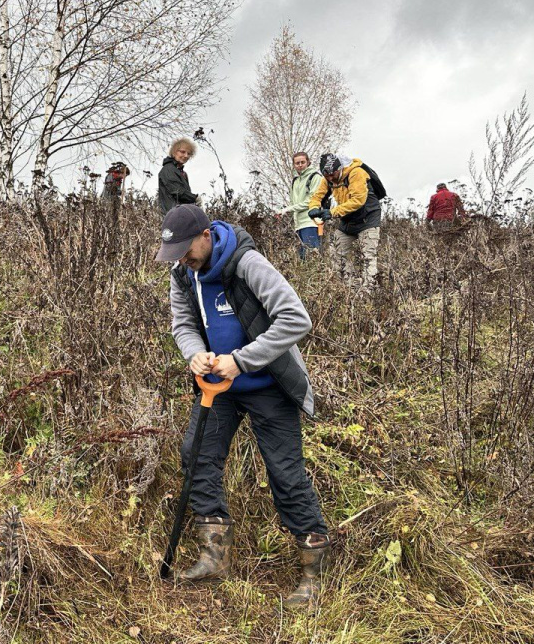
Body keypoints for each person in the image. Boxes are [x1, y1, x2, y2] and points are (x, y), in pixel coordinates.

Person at [156, 204, 329, 606]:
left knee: (285, 474)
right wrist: (195, 353)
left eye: (187, 248)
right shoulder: (183, 274)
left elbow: (295, 318)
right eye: (176, 252)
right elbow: (183, 324)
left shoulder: (247, 262)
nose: (183, 258)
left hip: (268, 383)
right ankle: (215, 558)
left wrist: (241, 360)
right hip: (219, 387)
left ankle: (312, 576)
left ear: (205, 234)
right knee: (196, 456)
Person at [307, 154, 381, 290]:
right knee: (337, 253)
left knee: (368, 256)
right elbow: (317, 196)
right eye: (326, 175)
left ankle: (369, 292)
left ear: (339, 168)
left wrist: (332, 212)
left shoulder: (356, 172)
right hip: (348, 219)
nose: (330, 178)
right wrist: (313, 207)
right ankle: (350, 289)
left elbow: (358, 200)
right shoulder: (327, 178)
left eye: (332, 174)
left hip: (368, 217)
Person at [278, 152, 324, 258]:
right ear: (294, 165)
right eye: (297, 163)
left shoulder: (315, 177)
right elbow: (294, 202)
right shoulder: (295, 181)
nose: (300, 165)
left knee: (312, 257)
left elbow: (312, 201)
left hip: (311, 223)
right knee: (303, 259)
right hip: (298, 225)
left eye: (302, 162)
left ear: (308, 162)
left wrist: (288, 209)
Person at [158, 138, 200, 214]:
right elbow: (177, 191)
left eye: (189, 153)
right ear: (174, 152)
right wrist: (195, 198)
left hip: (181, 213)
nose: (186, 155)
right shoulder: (168, 169)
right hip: (173, 215)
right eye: (183, 152)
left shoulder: (182, 173)